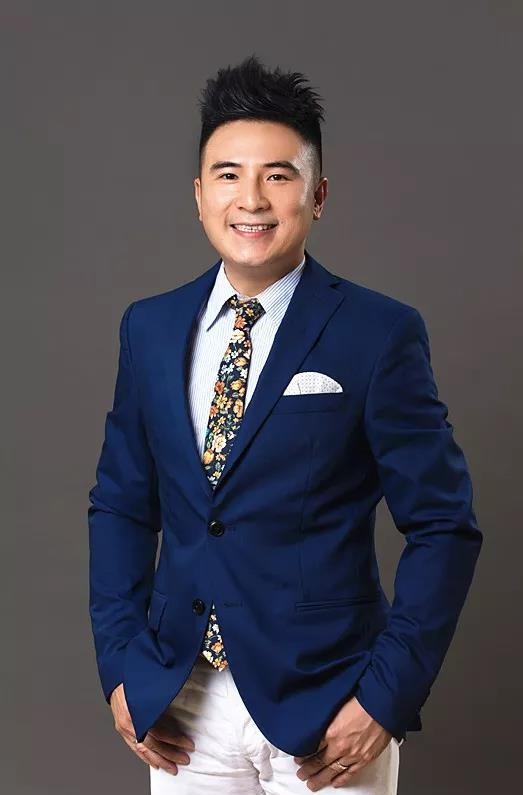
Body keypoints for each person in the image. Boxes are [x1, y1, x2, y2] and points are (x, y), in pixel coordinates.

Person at [88, 54, 483, 794]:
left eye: (278, 175)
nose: (252, 200)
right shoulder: (149, 328)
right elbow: (120, 505)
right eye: (229, 175)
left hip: (330, 700)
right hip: (180, 701)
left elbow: (443, 525)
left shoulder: (377, 332)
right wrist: (119, 668)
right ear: (199, 194)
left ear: (317, 194)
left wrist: (385, 697)